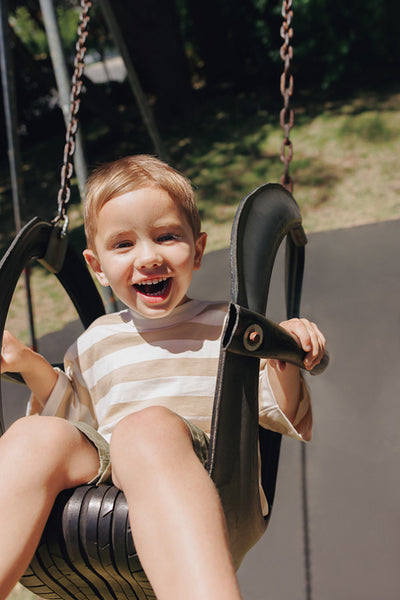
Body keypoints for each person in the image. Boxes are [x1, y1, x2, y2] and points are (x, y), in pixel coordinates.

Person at [0, 155, 326, 600]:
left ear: (197, 249)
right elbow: (75, 419)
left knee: (146, 430)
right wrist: (30, 364)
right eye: (123, 245)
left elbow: (274, 412)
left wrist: (282, 352)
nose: (148, 257)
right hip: (112, 474)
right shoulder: (97, 340)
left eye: (166, 236)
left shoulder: (227, 327)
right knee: (31, 436)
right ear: (97, 267)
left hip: (212, 478)